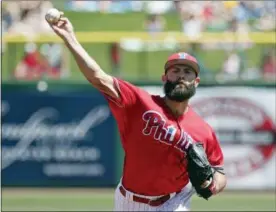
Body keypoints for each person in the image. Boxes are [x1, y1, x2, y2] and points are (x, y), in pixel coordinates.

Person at [46, 11, 227, 211]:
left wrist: (214, 183)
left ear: (196, 82)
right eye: (175, 71)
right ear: (164, 78)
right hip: (127, 201)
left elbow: (219, 171)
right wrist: (69, 37)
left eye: (187, 72)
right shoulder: (140, 102)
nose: (181, 76)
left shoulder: (204, 131)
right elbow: (98, 77)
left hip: (175, 201)